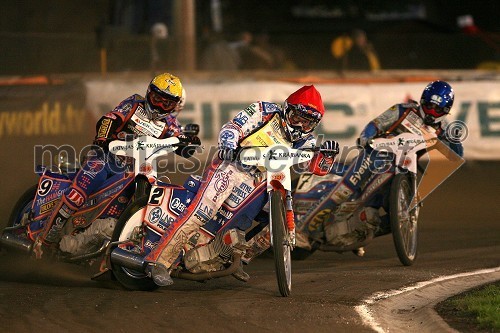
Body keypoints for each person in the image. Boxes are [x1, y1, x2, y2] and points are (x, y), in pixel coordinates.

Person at [143, 85, 339, 286]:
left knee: (274, 225)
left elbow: (312, 166)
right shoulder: (265, 111)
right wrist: (228, 143)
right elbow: (234, 126)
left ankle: (236, 257)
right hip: (232, 167)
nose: (299, 125)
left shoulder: (307, 140)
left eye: (307, 123)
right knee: (201, 212)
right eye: (296, 117)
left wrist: (326, 157)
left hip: (263, 181)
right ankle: (157, 261)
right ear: (287, 109)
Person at [32, 72, 199, 258]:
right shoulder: (134, 104)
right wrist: (102, 138)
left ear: (173, 106)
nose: (160, 106)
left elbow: (181, 143)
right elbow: (110, 118)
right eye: (156, 99)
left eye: (166, 103)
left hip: (135, 170)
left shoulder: (171, 124)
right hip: (106, 158)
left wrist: (188, 143)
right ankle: (45, 240)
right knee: (79, 192)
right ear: (148, 93)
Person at [305, 80, 464, 245]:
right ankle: (310, 223)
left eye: (437, 109)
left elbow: (456, 155)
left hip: (404, 169)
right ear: (422, 102)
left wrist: (454, 140)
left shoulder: (443, 130)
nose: (431, 112)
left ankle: (359, 233)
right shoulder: (402, 110)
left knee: (402, 215)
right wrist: (367, 137)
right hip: (375, 157)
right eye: (429, 106)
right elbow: (376, 124)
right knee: (346, 188)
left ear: (446, 111)